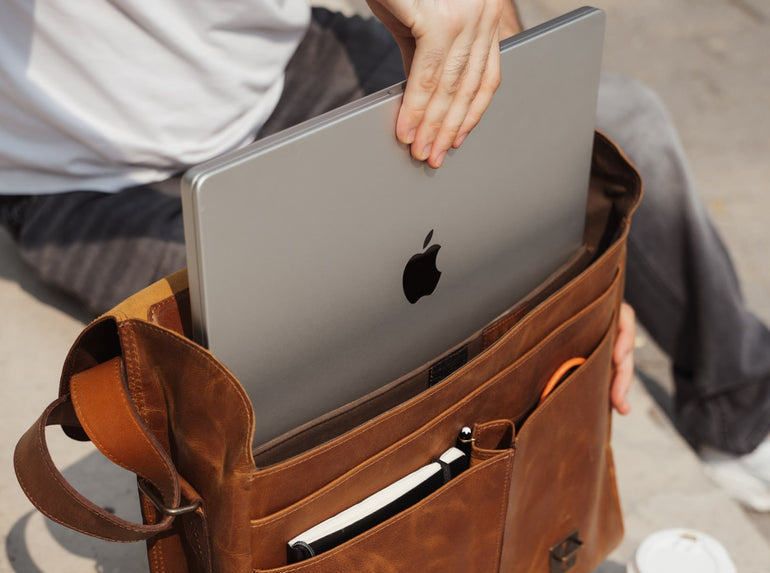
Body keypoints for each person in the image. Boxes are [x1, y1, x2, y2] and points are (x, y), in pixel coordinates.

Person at [0, 1, 767, 509]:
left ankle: (740, 411)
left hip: (277, 69)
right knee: (306, 337)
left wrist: (571, 269)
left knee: (625, 120)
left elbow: (504, 55)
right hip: (79, 174)